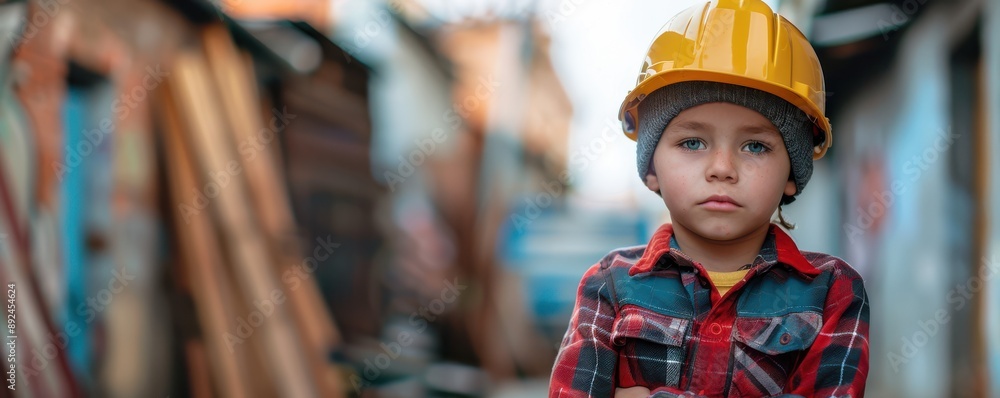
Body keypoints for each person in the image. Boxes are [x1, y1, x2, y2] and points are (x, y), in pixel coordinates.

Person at [548, 1, 870, 397]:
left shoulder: (832, 293)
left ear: (792, 172)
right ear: (651, 169)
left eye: (754, 146)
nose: (722, 168)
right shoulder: (609, 286)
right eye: (693, 142)